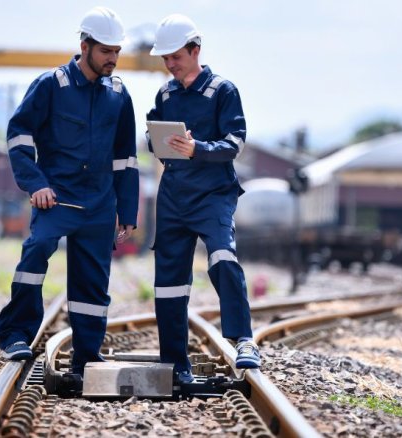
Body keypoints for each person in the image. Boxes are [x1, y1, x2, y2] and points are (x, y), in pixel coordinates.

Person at [0, 7, 139, 376]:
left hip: (100, 204)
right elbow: (19, 135)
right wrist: (36, 183)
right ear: (84, 46)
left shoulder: (118, 95)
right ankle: (15, 333)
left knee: (94, 282)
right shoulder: (50, 86)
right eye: (105, 51)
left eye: (116, 51)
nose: (112, 59)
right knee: (37, 250)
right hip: (57, 198)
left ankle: (86, 355)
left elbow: (126, 158)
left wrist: (128, 210)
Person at [146, 14, 259, 384]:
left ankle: (244, 339)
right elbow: (152, 138)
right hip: (174, 196)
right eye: (165, 58)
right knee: (169, 281)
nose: (170, 64)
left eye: (175, 56)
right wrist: (157, 141)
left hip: (213, 195)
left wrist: (198, 148)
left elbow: (235, 143)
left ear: (195, 50)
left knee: (223, 257)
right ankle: (175, 365)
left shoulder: (223, 91)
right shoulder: (165, 94)